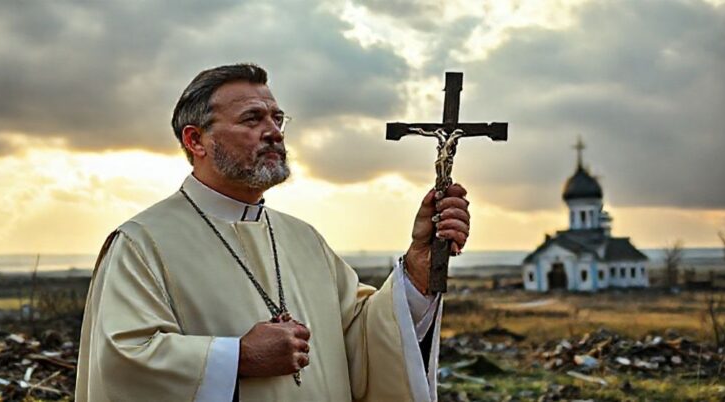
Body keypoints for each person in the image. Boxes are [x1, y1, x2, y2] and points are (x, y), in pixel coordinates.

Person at [75, 63, 470, 402]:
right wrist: (237, 358)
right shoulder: (142, 242)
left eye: (277, 119)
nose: (275, 133)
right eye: (252, 119)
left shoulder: (304, 238)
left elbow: (362, 340)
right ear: (196, 140)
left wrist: (418, 265)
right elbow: (122, 363)